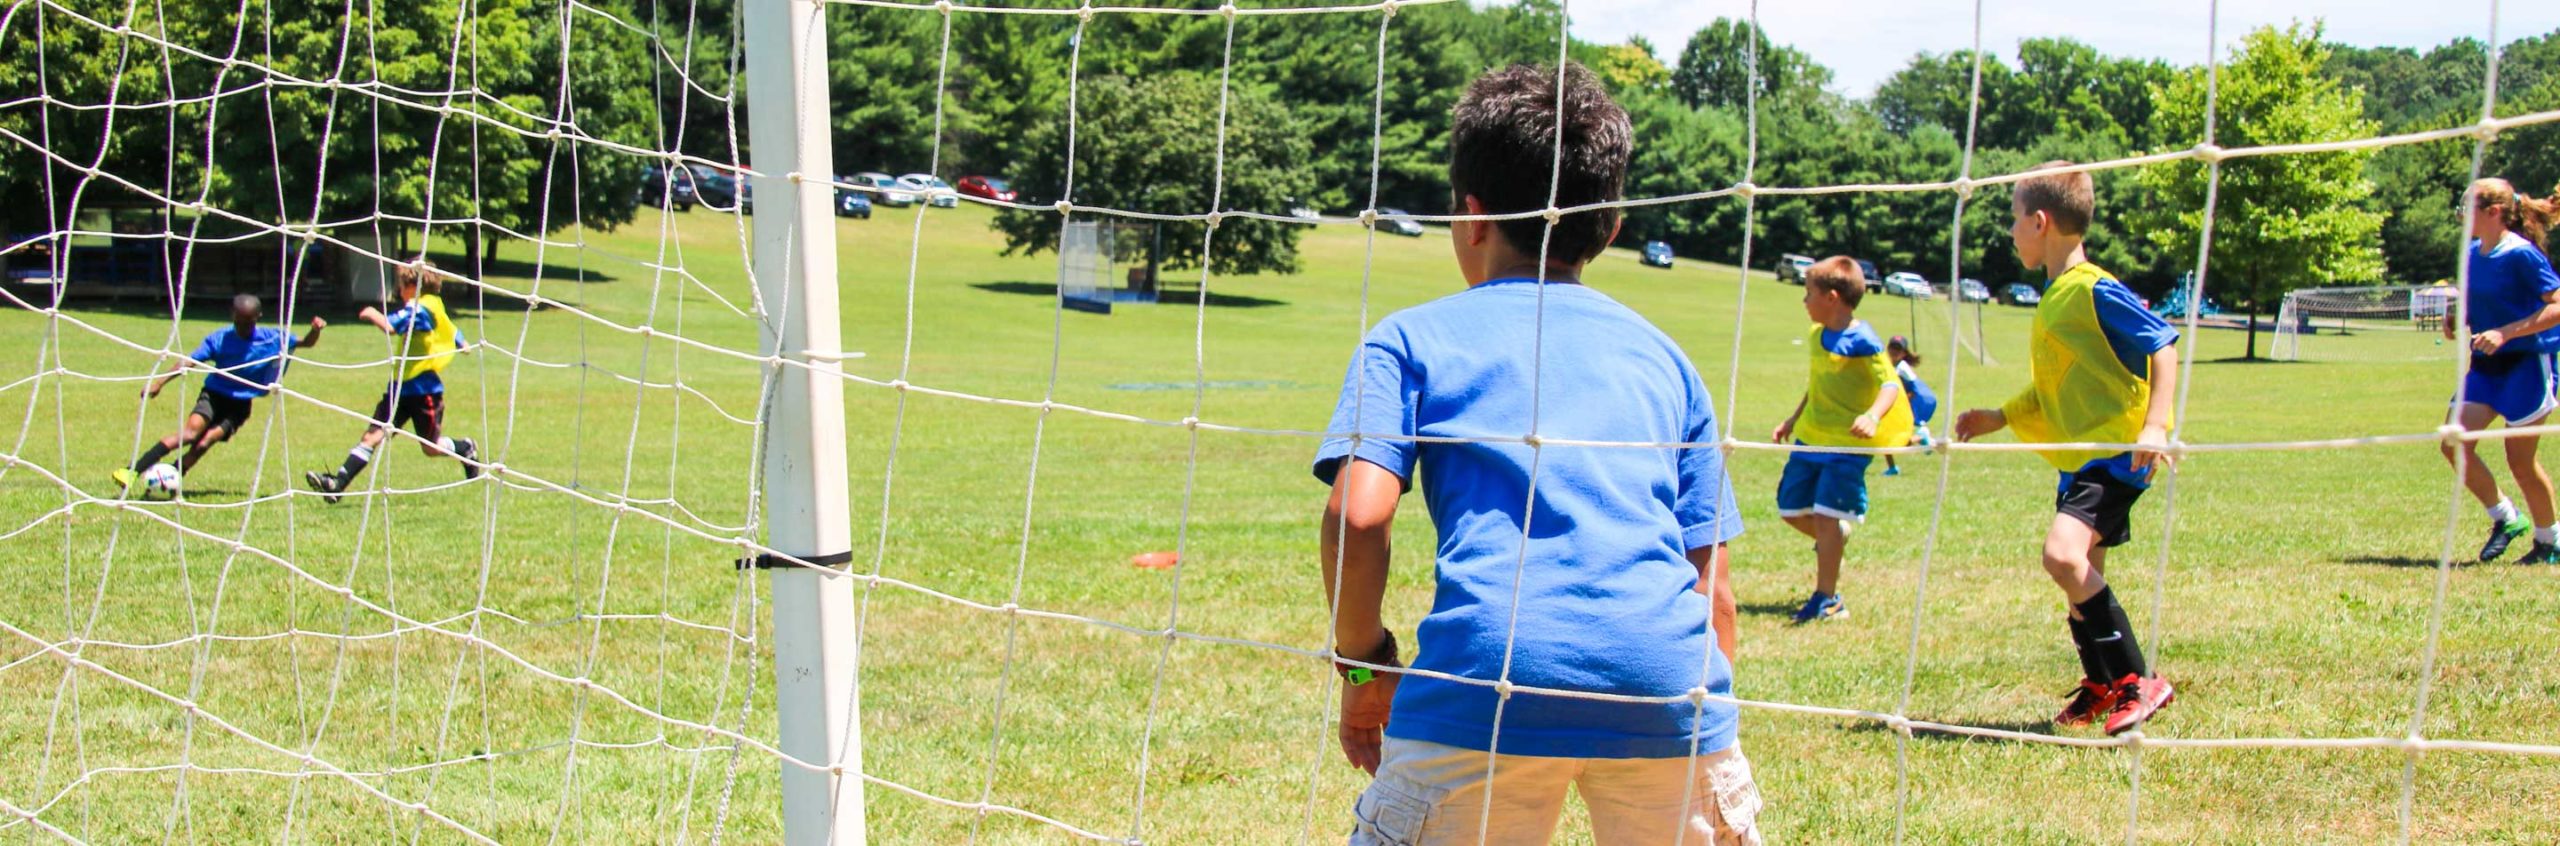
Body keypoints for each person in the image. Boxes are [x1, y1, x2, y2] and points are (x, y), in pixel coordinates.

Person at [1315, 62, 1760, 845]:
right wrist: (1698, 726)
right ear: (1611, 228)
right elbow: (1713, 590)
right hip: (1669, 687)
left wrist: (1364, 666)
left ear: (1471, 216)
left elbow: (1358, 516)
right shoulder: (1667, 359)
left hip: (1482, 683)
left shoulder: (1408, 339)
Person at [1952, 161, 2180, 736]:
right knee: (2081, 576)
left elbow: (2163, 343)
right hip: (2081, 457)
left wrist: (2156, 425)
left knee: (2062, 555)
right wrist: (1999, 416)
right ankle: (2103, 684)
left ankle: (2136, 680)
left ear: (2040, 221)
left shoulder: (2093, 288)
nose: (2009, 232)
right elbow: (2058, 384)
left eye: (2013, 220)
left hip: (2114, 454)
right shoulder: (2056, 296)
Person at [1769, 258, 1912, 625]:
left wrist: (1872, 416)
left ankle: (1829, 599)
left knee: (1826, 516)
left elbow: (1890, 384)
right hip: (1810, 439)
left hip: (1846, 446)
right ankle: (1835, 536)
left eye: (1809, 294)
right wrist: (1792, 418)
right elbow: (1816, 384)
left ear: (1832, 297)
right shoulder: (1818, 336)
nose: (1804, 301)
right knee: (1790, 508)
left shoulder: (1863, 339)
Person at [2437, 177, 2560, 564]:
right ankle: (2506, 519)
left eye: (2467, 205)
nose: (2460, 213)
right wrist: (2457, 314)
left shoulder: (2522, 254)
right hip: (2486, 367)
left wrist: (2505, 333)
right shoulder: (2474, 252)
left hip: (2527, 365)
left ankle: (2550, 542)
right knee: (2453, 442)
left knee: (2520, 461)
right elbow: (2479, 295)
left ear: (2492, 212)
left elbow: (2556, 305)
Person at [113, 294, 323, 492]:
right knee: (189, 434)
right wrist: (159, 382)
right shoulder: (219, 339)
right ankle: (132, 471)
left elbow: (306, 343)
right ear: (232, 315)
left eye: (248, 323)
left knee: (205, 442)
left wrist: (315, 330)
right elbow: (190, 361)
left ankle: (171, 477)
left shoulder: (273, 338)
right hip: (213, 396)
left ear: (258, 318)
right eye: (239, 321)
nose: (242, 327)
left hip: (239, 405)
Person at [305, 260, 478, 502]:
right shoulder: (432, 304)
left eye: (401, 285)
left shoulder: (419, 309)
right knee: (372, 437)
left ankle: (465, 448)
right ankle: (337, 484)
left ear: (412, 285)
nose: (399, 291)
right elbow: (451, 329)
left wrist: (372, 313)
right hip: (399, 389)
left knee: (430, 447)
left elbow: (391, 327)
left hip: (424, 391)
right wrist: (462, 343)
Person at [1882, 335, 1938, 477]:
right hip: (1915, 397)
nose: (1894, 352)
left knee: (1894, 437)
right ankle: (1892, 468)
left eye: (1898, 349)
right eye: (1892, 347)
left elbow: (1911, 390)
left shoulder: (1900, 368)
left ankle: (1921, 436)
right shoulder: (1893, 366)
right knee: (1884, 433)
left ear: (1903, 353)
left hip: (1920, 398)